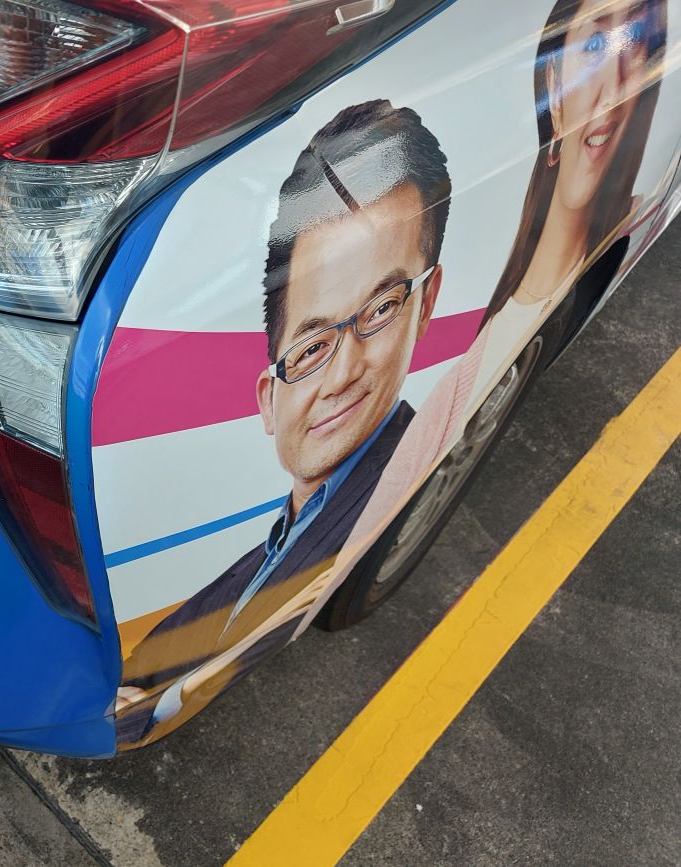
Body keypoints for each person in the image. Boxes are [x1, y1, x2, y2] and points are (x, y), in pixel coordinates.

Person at [116, 100, 452, 747]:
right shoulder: (260, 553)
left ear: (427, 301)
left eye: (381, 308)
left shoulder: (394, 480)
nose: (345, 371)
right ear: (269, 400)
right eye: (312, 346)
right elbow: (144, 676)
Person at [337, 0, 668, 559]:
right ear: (552, 86)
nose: (613, 89)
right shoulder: (453, 385)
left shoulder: (642, 214)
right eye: (593, 45)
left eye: (636, 43)